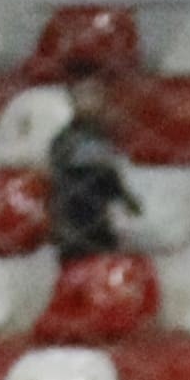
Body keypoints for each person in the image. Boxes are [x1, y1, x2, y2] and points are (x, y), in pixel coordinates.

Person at [43, 67, 142, 264]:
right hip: (75, 226)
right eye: (82, 94)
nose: (89, 100)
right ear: (72, 99)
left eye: (94, 93)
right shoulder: (65, 141)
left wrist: (125, 200)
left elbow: (110, 179)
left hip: (101, 226)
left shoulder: (105, 136)